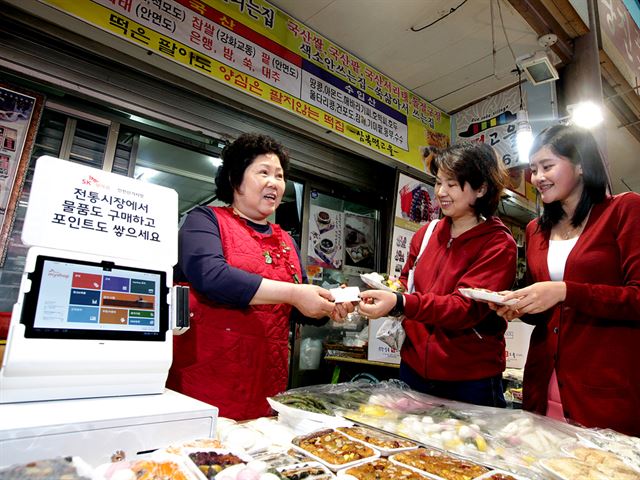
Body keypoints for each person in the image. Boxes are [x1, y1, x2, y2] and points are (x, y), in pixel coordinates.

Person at [167, 133, 350, 420]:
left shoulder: (285, 241)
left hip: (266, 382)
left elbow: (294, 309)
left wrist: (326, 306)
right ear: (234, 179)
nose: (274, 182)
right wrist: (294, 293)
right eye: (263, 172)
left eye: (279, 175)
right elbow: (212, 277)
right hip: (207, 379)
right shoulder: (204, 220)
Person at [493, 124, 640, 436]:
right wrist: (522, 307)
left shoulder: (624, 210)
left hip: (605, 388)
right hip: (543, 382)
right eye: (532, 169)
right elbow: (549, 312)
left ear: (581, 165)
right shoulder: (535, 230)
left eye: (548, 166)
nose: (537, 178)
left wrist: (565, 291)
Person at [359, 142, 517, 407]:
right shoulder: (427, 234)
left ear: (481, 188)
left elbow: (464, 308)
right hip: (413, 368)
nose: (441, 192)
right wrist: (386, 295)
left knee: (468, 446)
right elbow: (406, 284)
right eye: (438, 182)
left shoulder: (498, 244)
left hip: (470, 379)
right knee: (410, 446)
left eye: (452, 184)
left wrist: (401, 303)